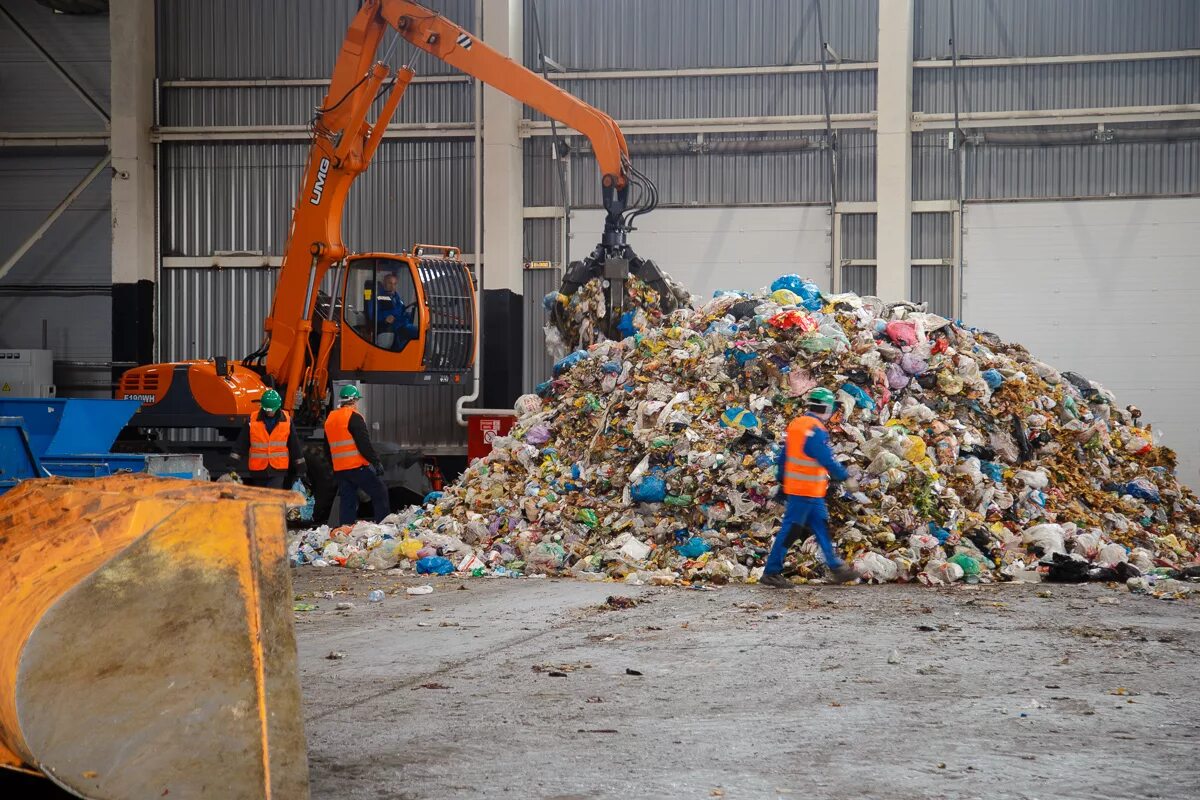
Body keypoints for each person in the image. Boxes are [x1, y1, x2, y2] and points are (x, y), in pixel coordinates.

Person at [760, 387, 858, 588]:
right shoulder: (815, 430)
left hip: (806, 490)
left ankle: (835, 566)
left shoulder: (797, 424)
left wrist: (782, 480)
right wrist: (844, 477)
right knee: (791, 529)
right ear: (826, 408)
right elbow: (826, 459)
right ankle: (771, 571)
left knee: (821, 526)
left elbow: (784, 456)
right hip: (805, 490)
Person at [324, 384, 389, 524]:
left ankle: (345, 530)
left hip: (341, 470)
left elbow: (326, 448)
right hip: (356, 467)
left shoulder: (330, 419)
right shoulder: (354, 417)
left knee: (348, 500)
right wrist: (376, 462)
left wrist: (335, 465)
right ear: (353, 401)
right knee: (380, 492)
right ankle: (384, 526)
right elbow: (364, 444)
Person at [228, 388, 306, 489]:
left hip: (278, 469)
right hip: (258, 470)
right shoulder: (252, 420)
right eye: (267, 410)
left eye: (272, 410)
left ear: (278, 407)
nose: (270, 413)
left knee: (273, 500)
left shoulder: (287, 421)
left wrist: (301, 467)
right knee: (261, 501)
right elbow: (242, 443)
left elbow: (294, 445)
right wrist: (232, 463)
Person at [365, 271, 419, 351]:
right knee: (416, 333)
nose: (392, 286)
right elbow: (372, 314)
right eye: (390, 283)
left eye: (394, 284)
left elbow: (402, 310)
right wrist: (385, 318)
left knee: (422, 332)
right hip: (390, 326)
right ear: (384, 283)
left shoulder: (396, 297)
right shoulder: (377, 297)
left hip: (401, 324)